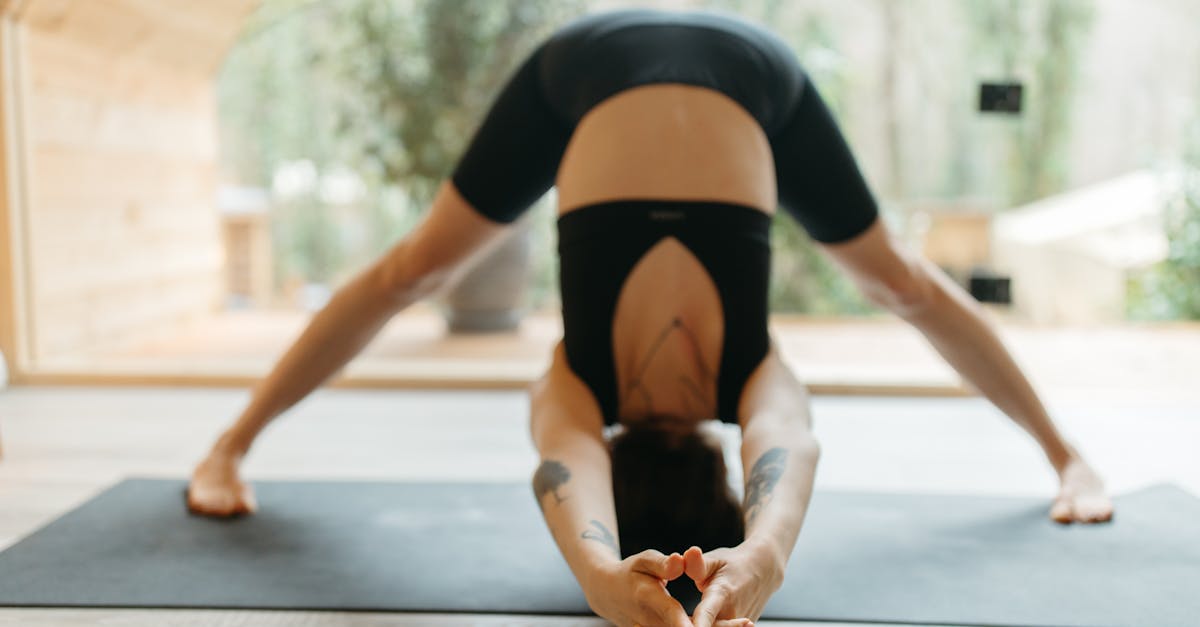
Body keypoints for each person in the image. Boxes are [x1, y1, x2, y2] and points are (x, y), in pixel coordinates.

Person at [187, 8, 1114, 627]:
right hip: (755, 82)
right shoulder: (718, 376)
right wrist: (760, 559)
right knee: (900, 282)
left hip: (580, 77)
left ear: (715, 464)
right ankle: (1064, 451)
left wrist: (619, 576)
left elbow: (569, 471)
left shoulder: (583, 380)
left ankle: (232, 442)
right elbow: (784, 450)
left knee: (410, 269)